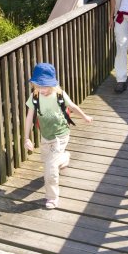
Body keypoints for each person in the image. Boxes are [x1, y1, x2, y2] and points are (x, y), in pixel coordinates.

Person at [23, 63, 92, 210]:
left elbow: (72, 106)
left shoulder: (59, 94)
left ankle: (52, 197)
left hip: (61, 134)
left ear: (53, 85)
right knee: (48, 161)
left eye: (45, 86)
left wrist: (84, 117)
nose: (42, 90)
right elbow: (29, 117)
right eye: (39, 86)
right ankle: (65, 157)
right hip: (46, 135)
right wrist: (26, 138)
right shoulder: (34, 96)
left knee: (50, 168)